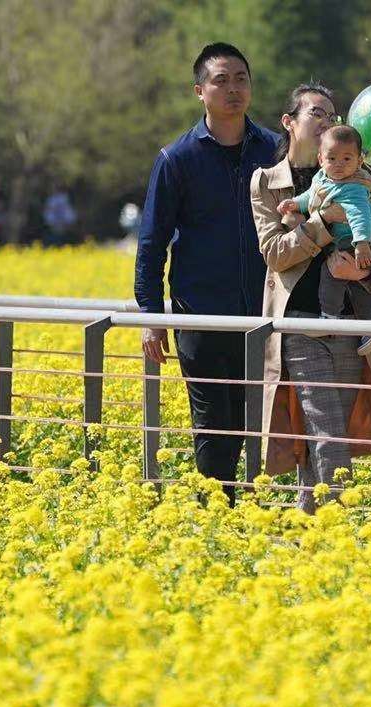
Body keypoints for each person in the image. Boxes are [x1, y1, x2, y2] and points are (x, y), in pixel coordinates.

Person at [250, 82, 371, 512]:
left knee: (331, 428)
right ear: (290, 123)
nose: (327, 121)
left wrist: (361, 270)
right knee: (326, 428)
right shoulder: (269, 183)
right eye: (316, 113)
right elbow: (275, 253)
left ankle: (312, 518)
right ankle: (336, 520)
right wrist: (323, 221)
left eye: (332, 115)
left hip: (348, 322)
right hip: (302, 323)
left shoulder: (357, 177)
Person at [134, 42, 280, 498]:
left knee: (257, 421)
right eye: (221, 80)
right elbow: (152, 242)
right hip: (201, 314)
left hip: (266, 312)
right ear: (200, 91)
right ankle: (216, 514)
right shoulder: (177, 159)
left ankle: (253, 515)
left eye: (240, 79)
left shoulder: (276, 150)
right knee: (214, 424)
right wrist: (151, 316)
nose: (232, 89)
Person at [275, 124, 371, 333]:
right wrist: (295, 203)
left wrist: (362, 244)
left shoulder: (353, 187)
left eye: (347, 159)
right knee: (344, 276)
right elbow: (312, 196)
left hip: (370, 242)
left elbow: (359, 216)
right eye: (332, 158)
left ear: (359, 162)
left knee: (344, 277)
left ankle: (346, 319)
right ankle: (354, 321)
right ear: (321, 160)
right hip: (350, 242)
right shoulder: (323, 179)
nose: (339, 165)